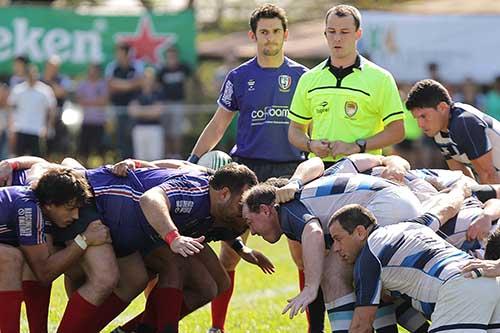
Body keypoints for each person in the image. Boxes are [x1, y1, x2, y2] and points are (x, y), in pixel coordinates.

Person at [187, 4, 316, 332]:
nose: (269, 38)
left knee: (303, 254)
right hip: (246, 172)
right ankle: (217, 327)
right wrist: (191, 161)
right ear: (253, 35)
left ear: (285, 35)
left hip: (289, 170)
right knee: (229, 255)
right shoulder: (239, 77)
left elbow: (313, 130)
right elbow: (218, 125)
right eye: (263, 32)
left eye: (275, 32)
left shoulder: (304, 77)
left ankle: (315, 327)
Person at [242, 172, 423, 333]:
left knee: (332, 274)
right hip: (400, 202)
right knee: (380, 286)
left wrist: (310, 288)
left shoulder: (287, 206)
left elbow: (313, 231)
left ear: (266, 210)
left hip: (387, 205)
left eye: (250, 222)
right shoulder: (304, 198)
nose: (254, 231)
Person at [328, 183, 500, 333]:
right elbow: (446, 208)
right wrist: (460, 190)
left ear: (360, 232)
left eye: (338, 239)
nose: (335, 248)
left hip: (458, 287)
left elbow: (362, 326)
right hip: (491, 283)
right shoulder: (414, 225)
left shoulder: (368, 258)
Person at [287, 4, 404, 168]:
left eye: (344, 32)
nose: (337, 38)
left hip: (364, 168)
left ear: (358, 34)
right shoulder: (308, 78)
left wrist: (357, 146)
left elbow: (397, 131)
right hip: (318, 170)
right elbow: (295, 130)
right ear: (325, 34)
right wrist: (310, 145)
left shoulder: (381, 78)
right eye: (332, 31)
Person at [0, 168, 111, 333]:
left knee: (22, 257)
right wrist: (84, 240)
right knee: (11, 258)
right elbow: (44, 273)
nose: (76, 216)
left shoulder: (35, 203)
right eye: (70, 208)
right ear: (50, 204)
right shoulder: (28, 209)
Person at [406, 79, 500, 184]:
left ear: (442, 107)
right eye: (417, 118)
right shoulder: (439, 128)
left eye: (424, 116)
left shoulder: (464, 122)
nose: (420, 124)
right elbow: (461, 175)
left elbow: (488, 174)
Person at [7, 64, 56, 157]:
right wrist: (11, 125)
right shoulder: (18, 90)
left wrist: (48, 127)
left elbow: (51, 109)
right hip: (21, 128)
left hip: (37, 130)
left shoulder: (45, 90)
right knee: (19, 158)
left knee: (37, 159)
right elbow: (11, 107)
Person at [105, 42, 144, 159]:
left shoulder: (137, 65)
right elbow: (110, 84)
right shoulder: (112, 67)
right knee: (120, 135)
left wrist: (121, 85)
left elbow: (140, 82)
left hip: (134, 107)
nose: (118, 55)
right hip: (117, 106)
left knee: (132, 135)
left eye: (120, 52)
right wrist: (129, 85)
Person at [156, 47, 192, 158]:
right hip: (166, 103)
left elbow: (191, 82)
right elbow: (157, 86)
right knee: (166, 130)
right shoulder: (162, 70)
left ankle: (176, 155)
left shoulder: (183, 68)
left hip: (178, 103)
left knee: (177, 131)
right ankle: (168, 155)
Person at [75, 63, 109, 165]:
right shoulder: (83, 84)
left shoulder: (103, 84)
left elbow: (104, 101)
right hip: (86, 121)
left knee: (101, 149)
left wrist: (88, 102)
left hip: (99, 122)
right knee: (84, 149)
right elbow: (80, 100)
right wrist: (95, 102)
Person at [129, 67, 164, 160]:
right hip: (139, 128)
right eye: (145, 77)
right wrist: (150, 111)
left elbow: (157, 112)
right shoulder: (136, 93)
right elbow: (133, 112)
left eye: (150, 78)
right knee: (140, 159)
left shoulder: (158, 93)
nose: (148, 80)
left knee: (155, 159)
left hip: (154, 128)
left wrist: (141, 111)